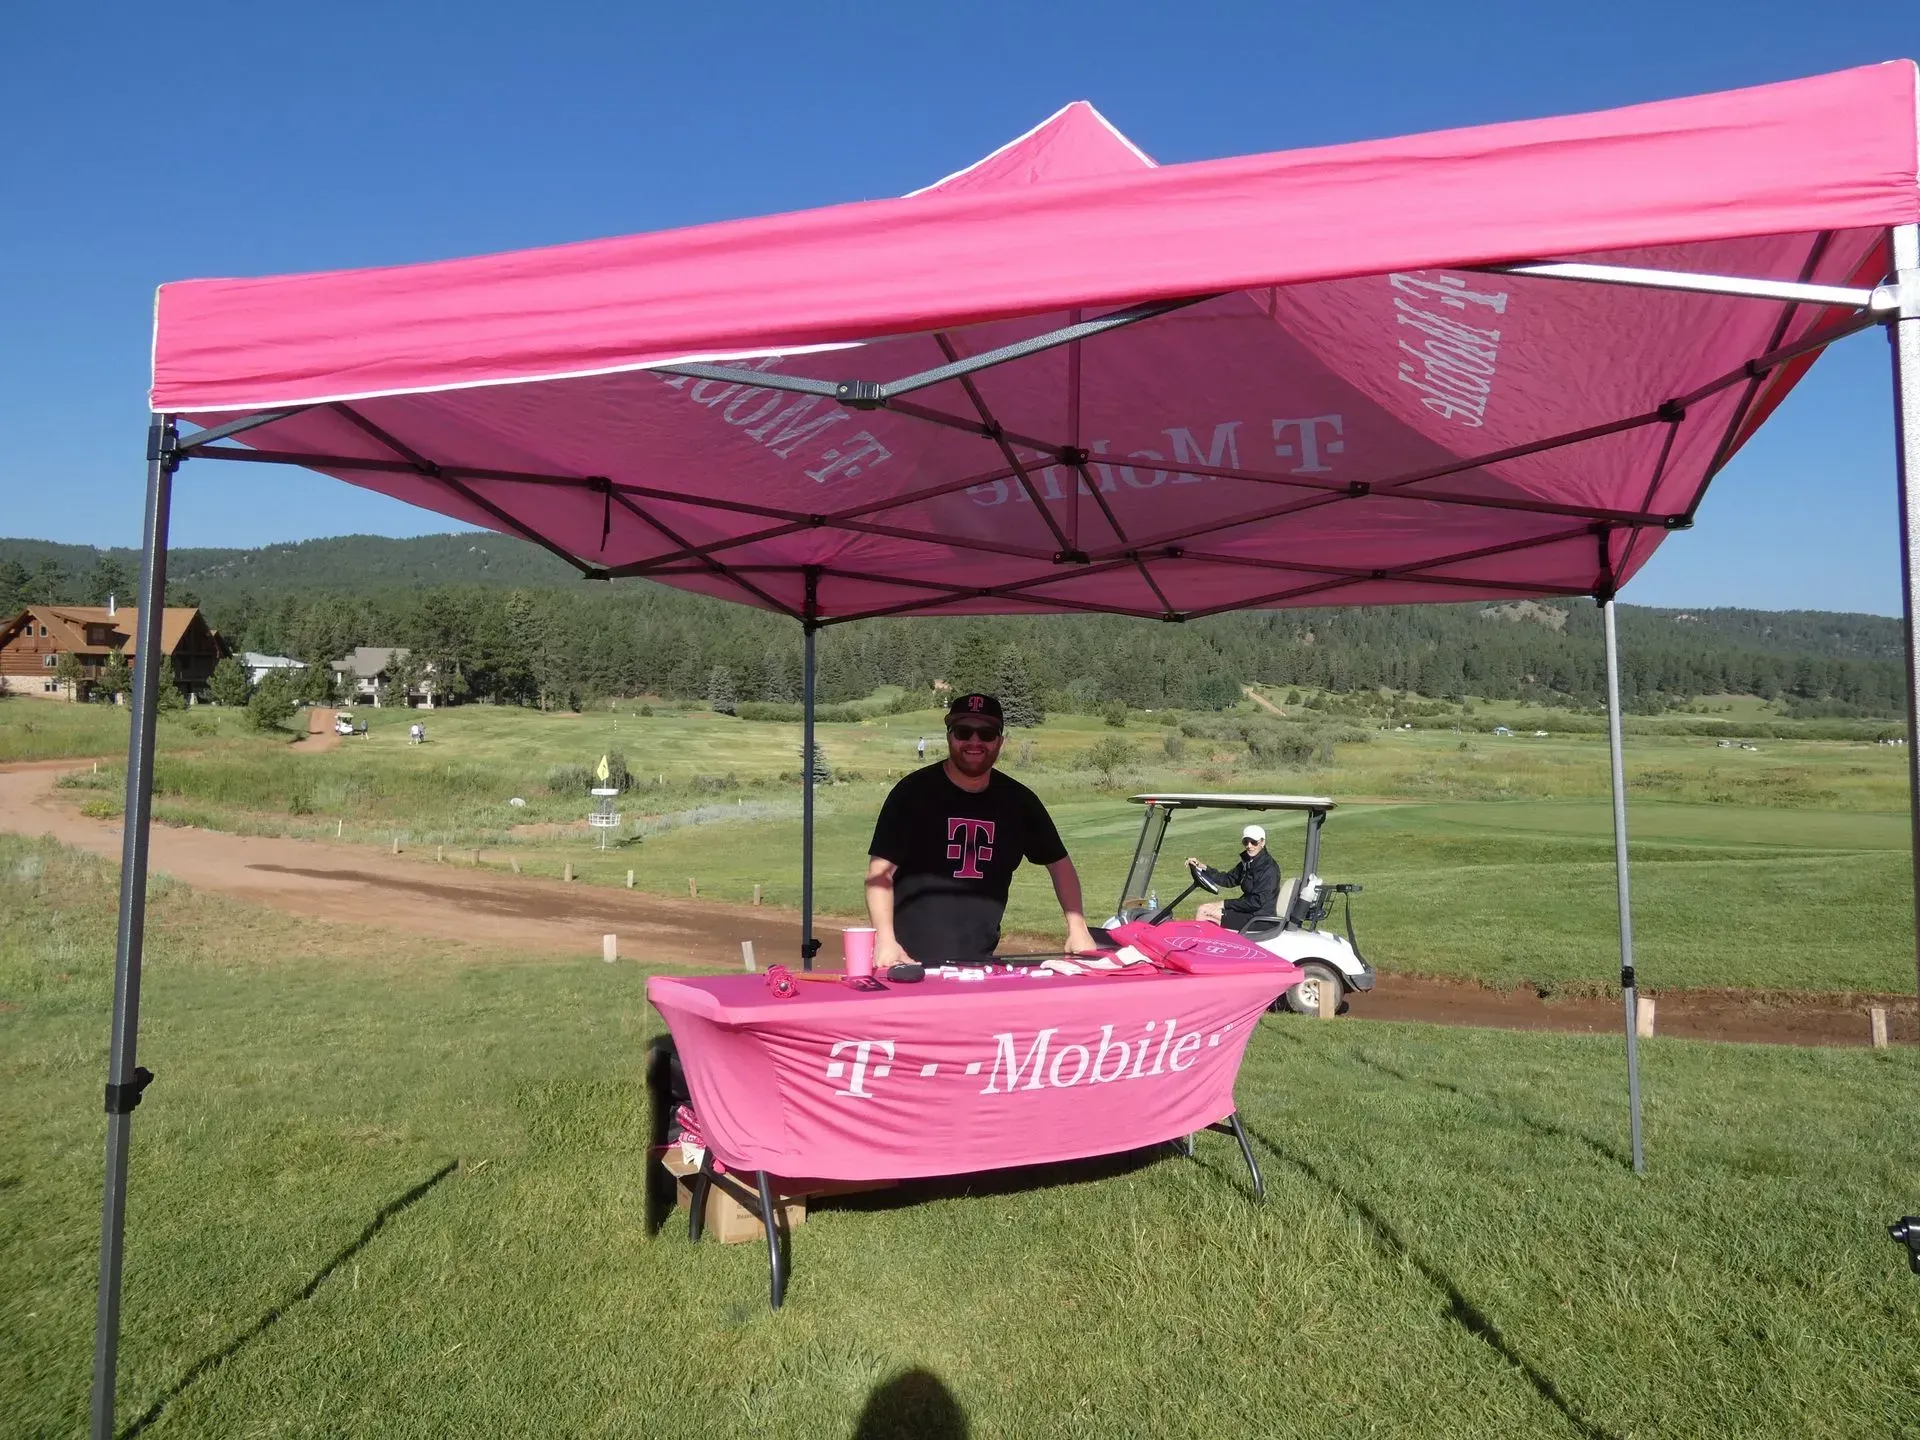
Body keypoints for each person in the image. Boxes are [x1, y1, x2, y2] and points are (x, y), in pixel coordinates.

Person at [868, 693, 1097, 966]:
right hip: (907, 961)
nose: (975, 742)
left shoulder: (1019, 802)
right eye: (964, 732)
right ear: (949, 736)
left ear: (1000, 740)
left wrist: (1077, 927)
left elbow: (1060, 866)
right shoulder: (912, 793)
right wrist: (884, 939)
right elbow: (879, 873)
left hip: (980, 963)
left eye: (986, 734)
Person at [1189, 825, 1282, 931]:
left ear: (1262, 842)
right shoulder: (1248, 862)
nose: (1249, 846)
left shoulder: (1269, 869)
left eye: (1253, 842)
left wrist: (1224, 904)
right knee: (1206, 909)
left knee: (1204, 911)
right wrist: (1203, 867)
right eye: (1246, 842)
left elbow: (1256, 902)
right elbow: (1228, 879)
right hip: (1249, 912)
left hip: (1260, 918)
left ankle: (1200, 945)